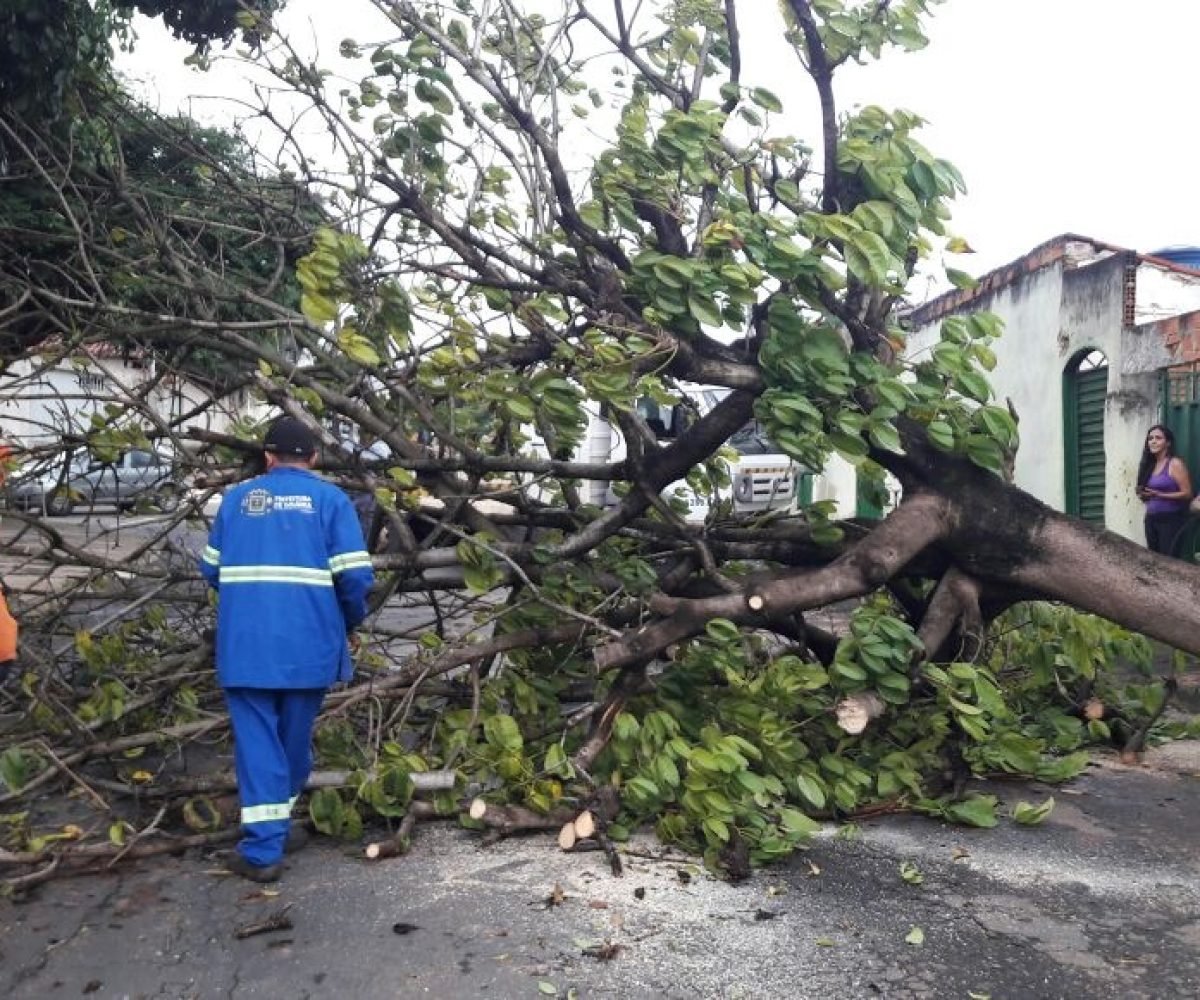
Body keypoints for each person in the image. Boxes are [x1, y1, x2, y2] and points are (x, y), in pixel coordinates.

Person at [199, 416, 374, 882]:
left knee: (259, 746)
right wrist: (351, 619)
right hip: (308, 645)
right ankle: (270, 836)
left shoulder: (237, 500)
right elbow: (355, 577)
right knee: (292, 743)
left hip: (247, 647)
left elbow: (211, 569)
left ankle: (263, 847)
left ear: (267, 458)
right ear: (313, 458)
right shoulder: (331, 501)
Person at [1135, 423, 1193, 556]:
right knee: (1155, 561)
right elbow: (1147, 495)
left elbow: (1187, 493)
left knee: (1169, 562)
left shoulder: (1174, 464)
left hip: (1170, 520)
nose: (1153, 441)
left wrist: (1160, 494)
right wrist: (1143, 494)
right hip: (1151, 519)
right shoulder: (1148, 465)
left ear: (1168, 443)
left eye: (1158, 438)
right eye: (1150, 438)